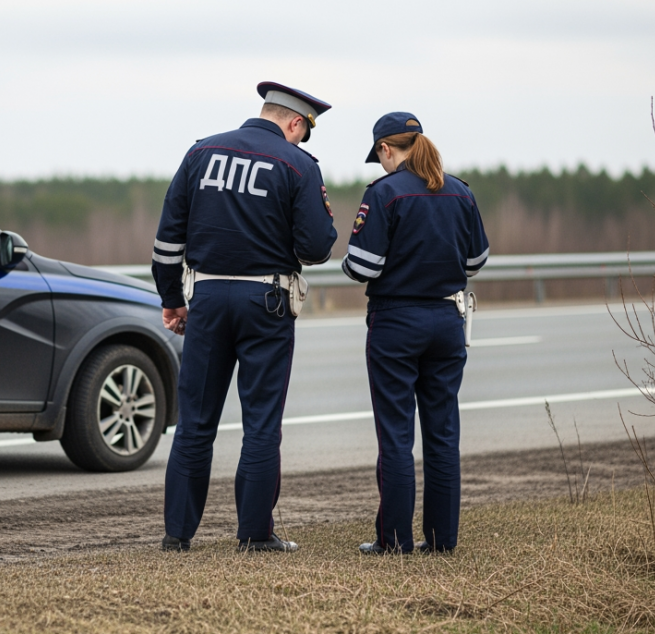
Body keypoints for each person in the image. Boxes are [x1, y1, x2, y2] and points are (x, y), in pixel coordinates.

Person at [152, 82, 338, 553]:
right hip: (266, 303)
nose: (299, 141)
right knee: (260, 423)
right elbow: (317, 247)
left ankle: (177, 534)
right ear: (295, 122)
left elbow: (167, 241)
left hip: (208, 298)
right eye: (302, 133)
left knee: (195, 419)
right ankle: (254, 535)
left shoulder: (201, 152)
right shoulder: (298, 165)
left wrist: (172, 298)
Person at [342, 111, 489, 554]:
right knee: (443, 435)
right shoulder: (460, 191)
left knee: (396, 436)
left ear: (386, 149)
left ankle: (394, 541)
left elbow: (361, 267)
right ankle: (442, 542)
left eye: (380, 156)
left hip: (396, 324)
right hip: (447, 322)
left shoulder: (384, 194)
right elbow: (476, 261)